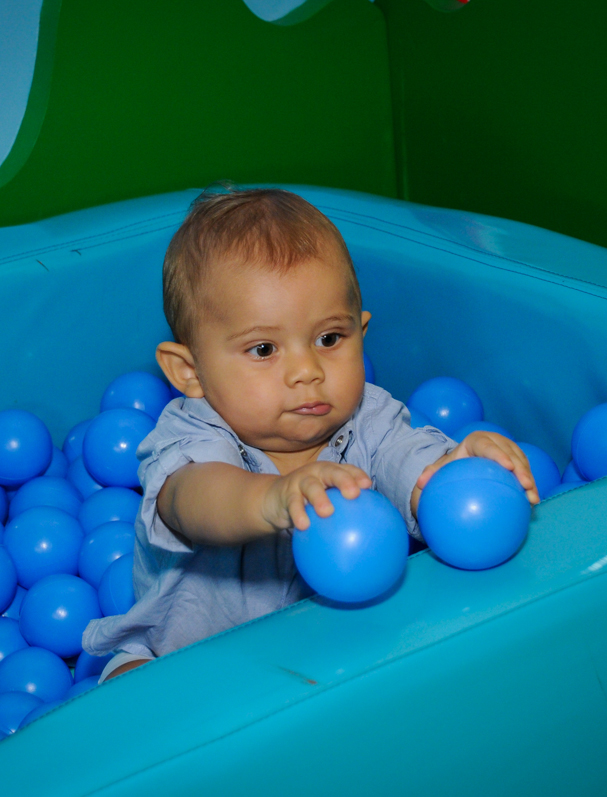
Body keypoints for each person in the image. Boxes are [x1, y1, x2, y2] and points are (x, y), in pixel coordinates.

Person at [82, 185, 539, 682]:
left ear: (361, 333)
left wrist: (456, 472)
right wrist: (271, 499)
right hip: (184, 656)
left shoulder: (368, 414)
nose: (307, 371)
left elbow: (408, 460)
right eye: (263, 349)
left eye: (329, 338)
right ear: (189, 372)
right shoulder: (188, 432)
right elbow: (193, 500)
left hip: (333, 644)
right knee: (129, 693)